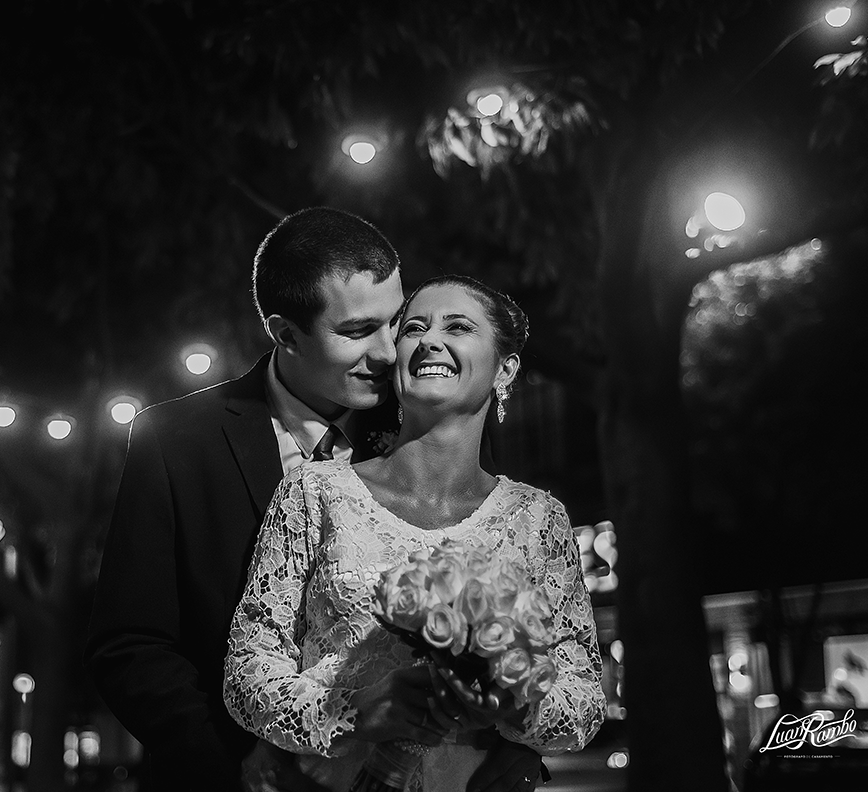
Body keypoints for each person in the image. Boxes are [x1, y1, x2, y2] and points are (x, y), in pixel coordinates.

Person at [87, 209, 542, 792]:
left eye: (394, 322)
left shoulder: (430, 417)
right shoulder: (175, 441)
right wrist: (246, 762)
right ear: (286, 334)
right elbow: (130, 645)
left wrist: (511, 741)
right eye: (357, 332)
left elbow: (498, 593)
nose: (388, 352)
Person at [223, 275, 605, 792]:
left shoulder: (538, 519)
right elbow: (247, 671)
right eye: (414, 328)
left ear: (506, 368)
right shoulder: (315, 493)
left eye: (458, 327)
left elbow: (584, 698)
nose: (429, 341)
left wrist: (514, 707)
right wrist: (350, 712)